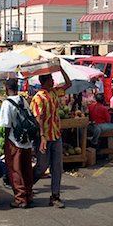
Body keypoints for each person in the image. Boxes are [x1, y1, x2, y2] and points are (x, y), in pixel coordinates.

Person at [30, 66, 72, 208]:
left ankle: (55, 196)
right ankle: (26, 186)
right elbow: (38, 118)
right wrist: (42, 136)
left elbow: (68, 84)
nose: (54, 81)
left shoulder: (54, 92)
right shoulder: (38, 98)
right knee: (42, 166)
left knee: (57, 167)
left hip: (56, 136)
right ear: (45, 81)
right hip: (44, 138)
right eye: (51, 79)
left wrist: (60, 68)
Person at [0, 78, 33, 209]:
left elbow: (4, 126)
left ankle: (20, 198)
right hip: (27, 141)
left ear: (7, 89)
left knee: (15, 170)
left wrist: (3, 143)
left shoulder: (7, 104)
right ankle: (29, 195)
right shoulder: (23, 100)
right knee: (26, 169)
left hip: (14, 141)